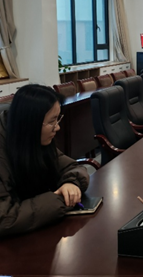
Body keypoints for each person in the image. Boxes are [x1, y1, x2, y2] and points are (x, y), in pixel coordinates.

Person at [0, 85, 89, 237]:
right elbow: (5, 218)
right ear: (30, 123)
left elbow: (72, 167)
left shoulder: (33, 139)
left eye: (58, 119)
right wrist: (59, 200)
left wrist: (71, 183)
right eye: (52, 121)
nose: (57, 127)